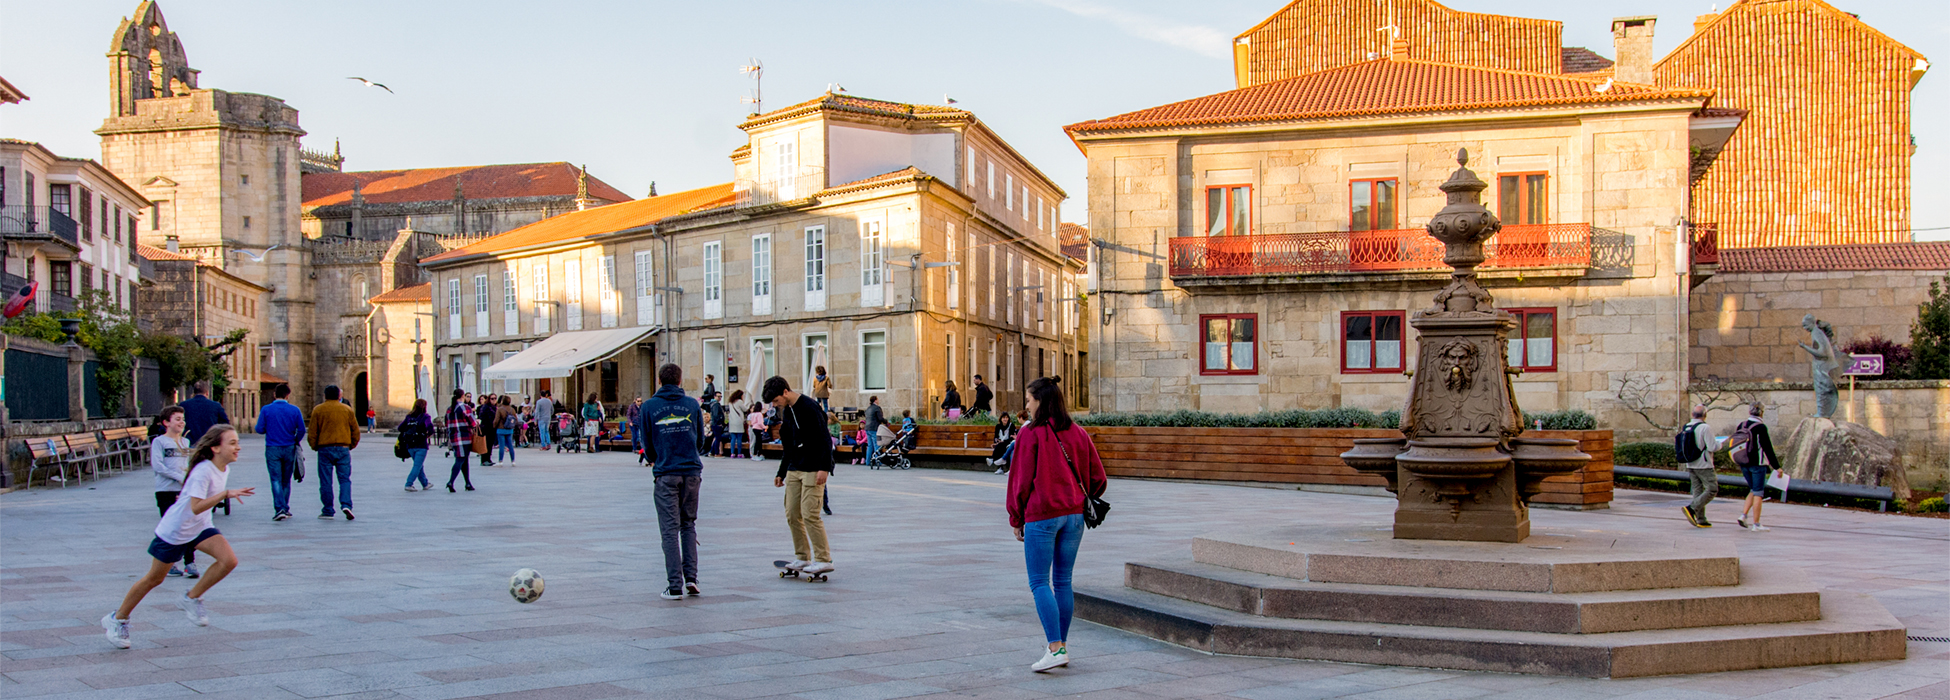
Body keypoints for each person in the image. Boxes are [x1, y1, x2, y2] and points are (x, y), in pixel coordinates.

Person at [102, 425, 254, 650]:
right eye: (232, 443)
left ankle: (191, 597)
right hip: (176, 530)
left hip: (200, 527)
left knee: (228, 561)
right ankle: (118, 618)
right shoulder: (203, 471)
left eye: (237, 442)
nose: (238, 447)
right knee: (154, 579)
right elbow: (195, 507)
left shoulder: (222, 469)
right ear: (215, 448)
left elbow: (199, 511)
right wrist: (225, 494)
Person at [1006, 376, 1107, 672]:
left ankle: (1054, 647)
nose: (1026, 405)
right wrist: (1076, 495)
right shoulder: (1078, 432)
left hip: (1042, 515)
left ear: (1040, 401)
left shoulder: (1030, 434)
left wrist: (1016, 516)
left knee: (1039, 581)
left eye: (1028, 400)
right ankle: (1061, 645)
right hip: (1075, 516)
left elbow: (1020, 480)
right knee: (1063, 581)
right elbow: (1099, 478)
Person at [640, 364, 706, 600]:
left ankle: (675, 585)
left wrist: (655, 459)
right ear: (680, 380)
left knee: (669, 529)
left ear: (659, 381)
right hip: (691, 472)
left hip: (666, 472)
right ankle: (692, 578)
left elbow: (646, 443)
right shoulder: (691, 404)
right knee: (688, 524)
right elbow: (700, 440)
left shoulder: (648, 406)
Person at [765, 376, 834, 577]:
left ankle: (823, 559)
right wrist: (781, 471)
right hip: (795, 468)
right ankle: (802, 556)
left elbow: (825, 439)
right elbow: (788, 444)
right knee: (792, 513)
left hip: (814, 468)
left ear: (785, 392)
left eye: (776, 400)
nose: (775, 405)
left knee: (810, 513)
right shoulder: (787, 411)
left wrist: (825, 467)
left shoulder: (810, 407)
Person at [149, 406, 198, 578]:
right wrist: (178, 477)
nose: (181, 422)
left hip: (183, 491)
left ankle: (190, 562)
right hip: (166, 490)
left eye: (182, 419)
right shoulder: (159, 442)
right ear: (166, 423)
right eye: (177, 419)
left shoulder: (185, 442)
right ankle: (169, 563)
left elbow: (187, 465)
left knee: (188, 524)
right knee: (171, 527)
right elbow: (158, 466)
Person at [253, 384, 306, 521]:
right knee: (286, 480)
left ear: (274, 394)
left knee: (275, 479)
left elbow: (259, 429)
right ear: (288, 395)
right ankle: (285, 507)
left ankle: (279, 508)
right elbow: (301, 429)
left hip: (272, 447)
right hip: (289, 447)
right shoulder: (294, 410)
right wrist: (295, 440)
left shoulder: (266, 409)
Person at [309, 385, 360, 520]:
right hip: (343, 447)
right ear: (339, 396)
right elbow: (355, 430)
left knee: (326, 480)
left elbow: (312, 432)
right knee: (344, 479)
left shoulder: (318, 410)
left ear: (325, 396)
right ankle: (346, 504)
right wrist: (350, 445)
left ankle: (328, 509)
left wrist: (315, 446)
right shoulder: (347, 409)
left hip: (324, 448)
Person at [1729, 403, 1782, 532]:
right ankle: (1756, 524)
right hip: (1757, 465)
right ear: (1762, 412)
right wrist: (1777, 467)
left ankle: (1743, 515)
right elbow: (1767, 448)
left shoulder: (1742, 425)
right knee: (1758, 493)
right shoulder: (1760, 427)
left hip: (1743, 463)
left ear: (1749, 411)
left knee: (1753, 490)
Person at [1678, 405, 1718, 528]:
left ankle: (1701, 518)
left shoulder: (1687, 426)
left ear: (1692, 414)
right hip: (1704, 464)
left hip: (1691, 463)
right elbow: (1712, 447)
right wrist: (1720, 444)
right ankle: (1692, 508)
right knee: (1712, 489)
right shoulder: (1705, 427)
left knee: (1698, 490)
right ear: (1705, 415)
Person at [398, 399, 435, 491]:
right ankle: (409, 484)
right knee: (417, 466)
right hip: (421, 445)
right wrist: (428, 434)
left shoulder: (409, 417)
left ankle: (425, 483)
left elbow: (400, 428)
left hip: (410, 445)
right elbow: (430, 428)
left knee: (418, 465)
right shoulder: (425, 417)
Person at [444, 389, 477, 492]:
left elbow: (446, 423)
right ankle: (451, 481)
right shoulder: (465, 408)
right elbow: (473, 423)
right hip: (464, 438)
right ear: (462, 396)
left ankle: (468, 483)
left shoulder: (449, 409)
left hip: (454, 438)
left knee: (464, 460)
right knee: (460, 460)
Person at [862, 396, 886, 467]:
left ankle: (868, 461)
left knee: (870, 445)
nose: (878, 401)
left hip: (867, 428)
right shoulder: (877, 408)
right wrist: (886, 422)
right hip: (874, 428)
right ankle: (878, 460)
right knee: (876, 445)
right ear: (875, 400)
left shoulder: (868, 408)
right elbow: (880, 418)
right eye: (878, 399)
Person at [495, 395, 518, 465]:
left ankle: (500, 461)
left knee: (501, 446)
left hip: (501, 429)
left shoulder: (499, 409)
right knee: (510, 445)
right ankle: (513, 461)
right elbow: (516, 419)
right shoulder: (512, 409)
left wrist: (494, 426)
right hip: (509, 429)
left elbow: (496, 420)